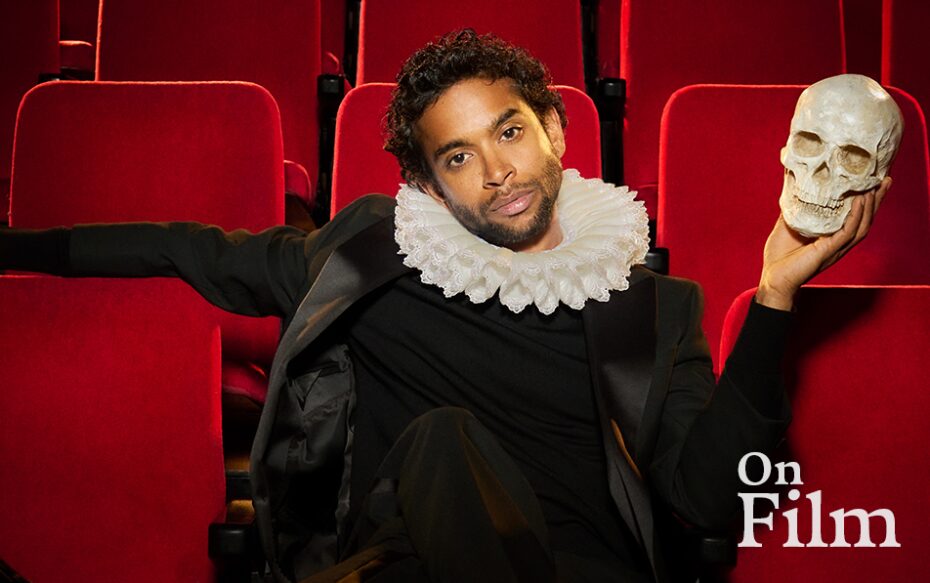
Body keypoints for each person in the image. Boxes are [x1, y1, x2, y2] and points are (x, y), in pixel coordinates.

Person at [0, 30, 888, 583]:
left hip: (580, 570)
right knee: (445, 443)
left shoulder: (653, 306)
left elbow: (713, 502)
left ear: (554, 130)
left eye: (509, 131)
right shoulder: (373, 253)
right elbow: (192, 250)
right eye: (458, 156)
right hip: (399, 563)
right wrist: (18, 247)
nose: (497, 170)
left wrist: (775, 294)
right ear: (427, 184)